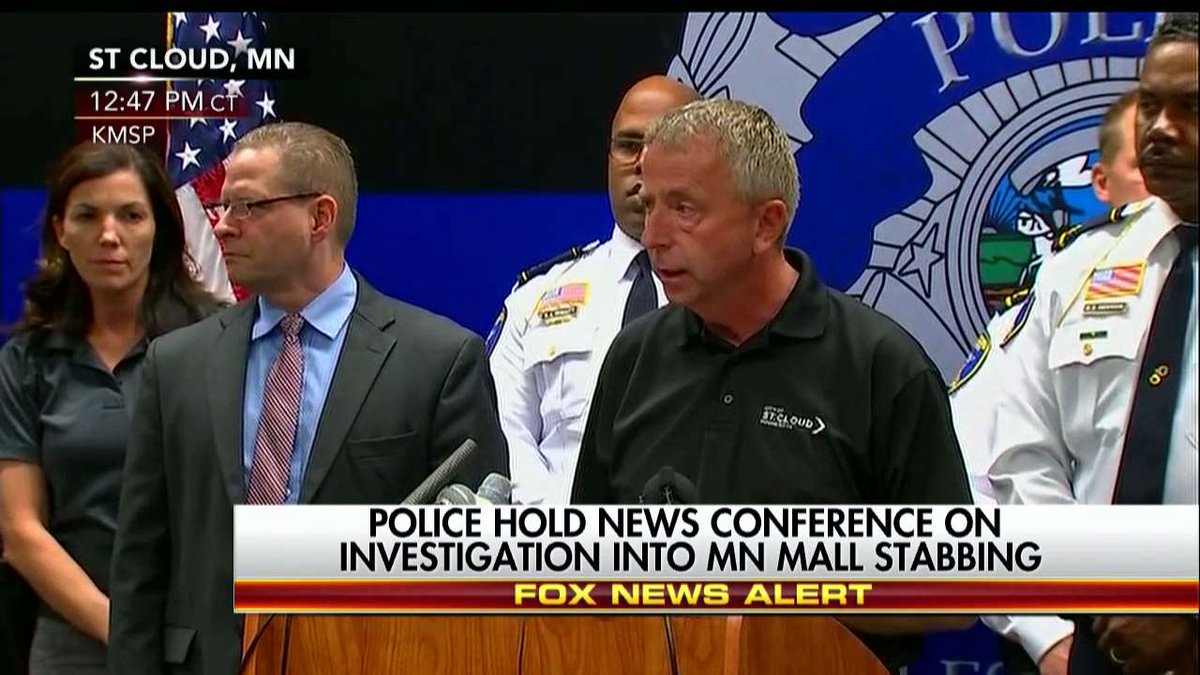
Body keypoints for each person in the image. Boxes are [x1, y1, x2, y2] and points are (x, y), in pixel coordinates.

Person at [569, 97, 975, 672]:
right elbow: (586, 566)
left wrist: (766, 583)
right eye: (651, 204)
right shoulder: (634, 357)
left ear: (766, 223)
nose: (654, 234)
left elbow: (954, 590)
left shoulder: (881, 367)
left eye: (684, 208)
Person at [107, 121, 510, 675]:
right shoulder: (175, 363)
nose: (222, 225)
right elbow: (140, 562)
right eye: (221, 207)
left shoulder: (438, 361)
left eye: (247, 207)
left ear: (320, 217)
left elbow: (475, 574)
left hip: (369, 660)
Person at [988, 12, 1198, 675]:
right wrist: (1076, 609)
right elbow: (1022, 456)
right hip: (1091, 641)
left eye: (1192, 108)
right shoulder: (1077, 267)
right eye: (1151, 104)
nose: (1160, 128)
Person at [0, 142, 225, 674]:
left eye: (130, 215)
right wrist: (123, 632)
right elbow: (21, 531)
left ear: (159, 230)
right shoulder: (28, 360)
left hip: (199, 639)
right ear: (61, 231)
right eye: (87, 216)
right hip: (73, 640)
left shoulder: (218, 341)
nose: (109, 235)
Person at [949, 89, 1149, 675]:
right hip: (1089, 632)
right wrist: (1046, 632)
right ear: (1103, 184)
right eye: (1145, 161)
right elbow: (976, 473)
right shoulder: (1056, 296)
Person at [488, 74, 699, 505]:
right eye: (628, 145)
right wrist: (561, 527)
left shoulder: (732, 296)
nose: (642, 162)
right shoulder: (537, 298)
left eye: (665, 144)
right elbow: (504, 428)